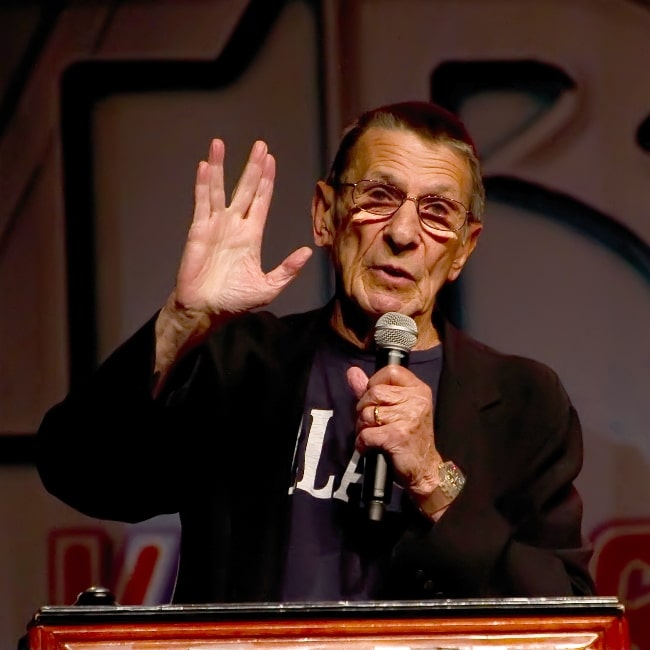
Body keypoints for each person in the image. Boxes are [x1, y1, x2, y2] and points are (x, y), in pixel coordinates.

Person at [36, 100, 596, 603]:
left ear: (462, 250)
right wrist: (183, 321)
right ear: (324, 215)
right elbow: (80, 471)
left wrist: (431, 480)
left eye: (436, 212)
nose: (403, 232)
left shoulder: (523, 400)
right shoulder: (242, 365)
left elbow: (565, 612)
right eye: (378, 197)